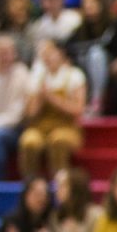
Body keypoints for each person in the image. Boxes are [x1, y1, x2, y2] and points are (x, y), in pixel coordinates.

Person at [18, 38, 85, 178]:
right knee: (28, 141)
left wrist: (52, 98)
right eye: (44, 53)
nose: (47, 56)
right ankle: (29, 183)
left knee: (58, 140)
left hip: (66, 126)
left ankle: (61, 182)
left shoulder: (74, 75)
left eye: (51, 51)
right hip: (39, 127)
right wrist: (39, 98)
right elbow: (30, 114)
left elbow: (78, 109)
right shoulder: (36, 77)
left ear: (61, 53)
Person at [0, 34, 30, 179]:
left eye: (7, 52)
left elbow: (18, 112)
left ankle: (0, 183)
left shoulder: (21, 73)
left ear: (14, 54)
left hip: (15, 129)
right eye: (0, 52)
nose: (4, 57)